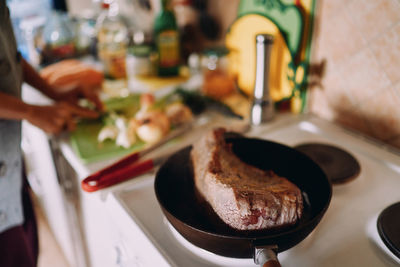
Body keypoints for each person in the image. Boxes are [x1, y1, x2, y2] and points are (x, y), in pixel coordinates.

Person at [0, 1, 103, 266]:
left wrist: (55, 94)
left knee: (26, 246)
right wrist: (31, 112)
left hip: (8, 160)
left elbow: (11, 59)